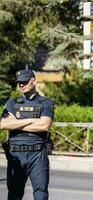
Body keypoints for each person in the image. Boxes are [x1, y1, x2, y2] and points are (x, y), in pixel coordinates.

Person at [0, 69, 54, 200]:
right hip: (15, 155)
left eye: (24, 82)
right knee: (14, 195)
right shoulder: (12, 103)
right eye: (19, 83)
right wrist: (31, 120)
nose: (21, 85)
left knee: (41, 194)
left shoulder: (45, 103)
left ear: (33, 80)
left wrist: (17, 123)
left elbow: (44, 125)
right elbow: (4, 124)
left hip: (37, 154)